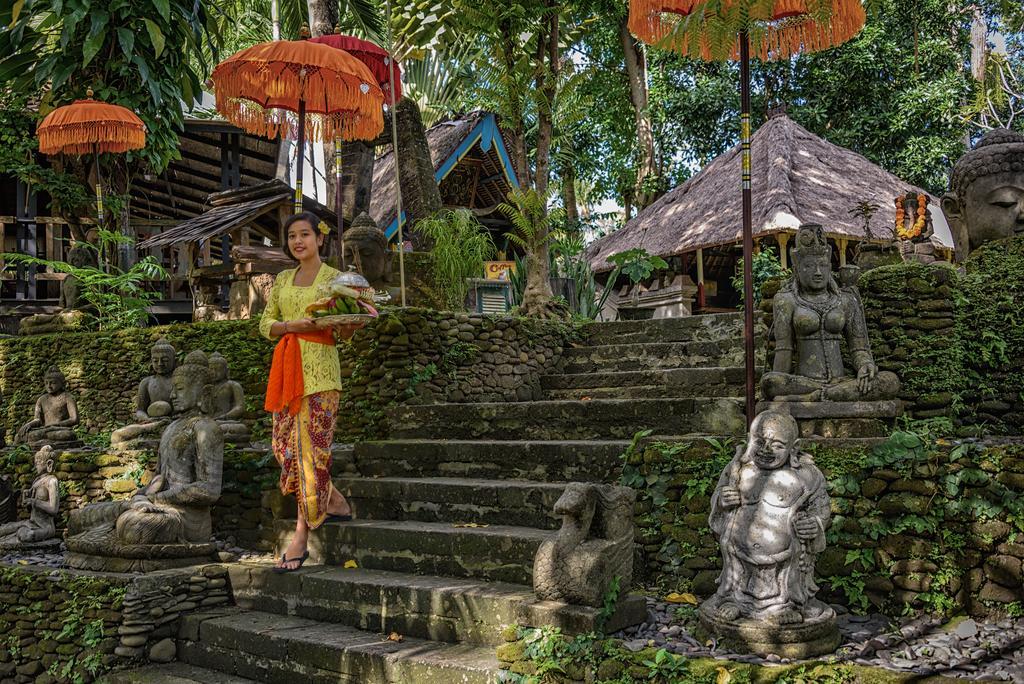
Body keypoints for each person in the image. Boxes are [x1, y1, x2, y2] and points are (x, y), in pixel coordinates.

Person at [260, 212, 362, 573]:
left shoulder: (337, 279)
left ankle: (301, 536)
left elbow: (344, 332)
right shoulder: (283, 279)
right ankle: (333, 501)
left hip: (321, 375)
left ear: (320, 239)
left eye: (305, 234)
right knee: (284, 448)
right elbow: (265, 323)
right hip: (287, 373)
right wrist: (292, 325)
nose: (298, 241)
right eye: (291, 236)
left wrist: (349, 324)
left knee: (310, 454)